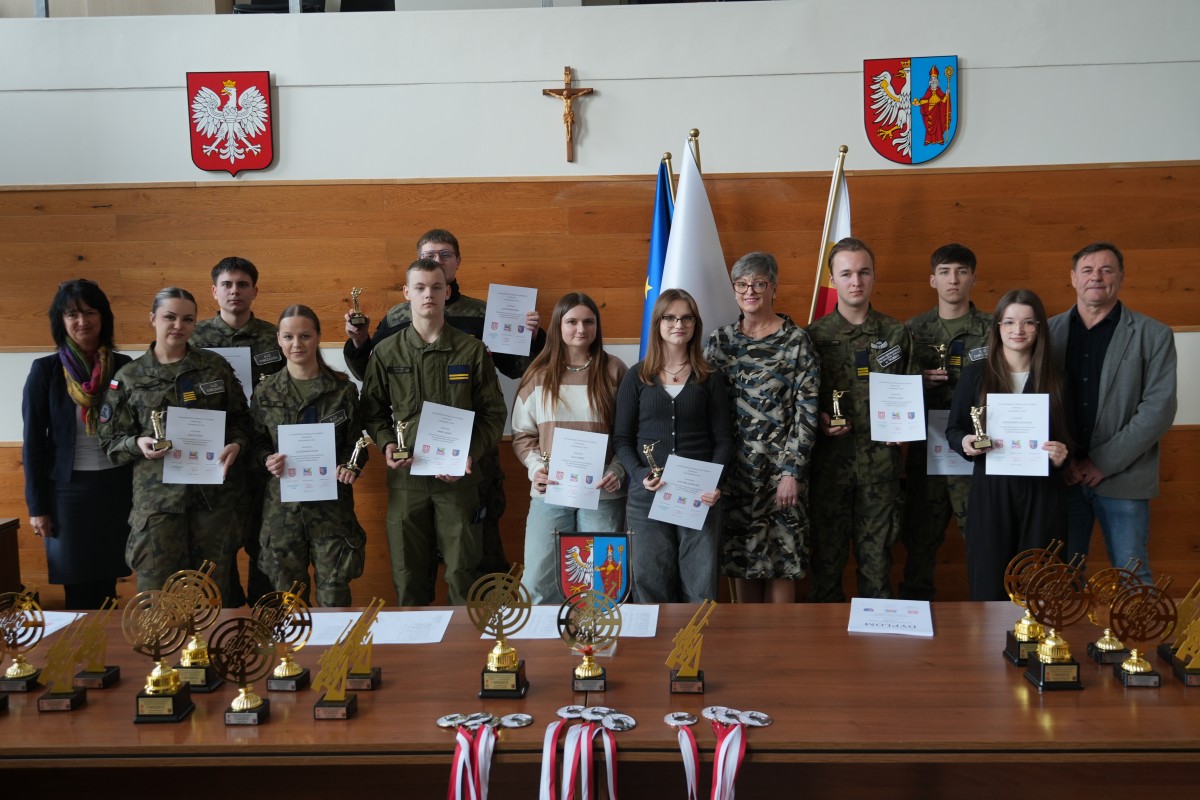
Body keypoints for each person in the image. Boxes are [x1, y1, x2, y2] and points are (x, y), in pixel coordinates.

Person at [344, 229, 545, 576]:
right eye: (429, 255)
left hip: (471, 460)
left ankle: (480, 625)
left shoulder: (486, 314)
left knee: (477, 555)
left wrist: (532, 338)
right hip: (411, 463)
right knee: (414, 563)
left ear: (455, 266)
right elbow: (374, 378)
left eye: (445, 254)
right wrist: (360, 342)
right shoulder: (395, 318)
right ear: (409, 288)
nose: (436, 261)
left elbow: (516, 372)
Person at [359, 258, 507, 606]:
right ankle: (415, 657)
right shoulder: (385, 352)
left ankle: (468, 653)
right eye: (421, 288)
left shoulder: (471, 351)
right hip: (407, 481)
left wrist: (471, 453)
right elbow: (372, 412)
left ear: (448, 292)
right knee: (409, 576)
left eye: (437, 287)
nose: (429, 295)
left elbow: (493, 413)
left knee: (463, 574)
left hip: (458, 482)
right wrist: (385, 445)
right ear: (407, 293)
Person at [98, 288, 251, 601]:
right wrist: (136, 443)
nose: (178, 325)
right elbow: (109, 441)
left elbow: (241, 420)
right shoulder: (129, 377)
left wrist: (236, 443)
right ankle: (160, 652)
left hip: (212, 500)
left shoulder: (214, 367)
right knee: (156, 596)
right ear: (153, 318)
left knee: (212, 593)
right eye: (170, 317)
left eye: (187, 319)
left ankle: (210, 652)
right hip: (158, 505)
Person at [1049, 243, 1177, 585]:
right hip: (1064, 477)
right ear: (1073, 278)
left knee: (1133, 575)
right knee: (1062, 578)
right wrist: (1065, 461)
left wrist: (1103, 462)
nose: (1097, 277)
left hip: (1124, 477)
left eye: (1106, 270)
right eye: (1088, 270)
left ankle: (1140, 642)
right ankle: (1063, 641)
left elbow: (1159, 409)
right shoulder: (1047, 333)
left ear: (1120, 277)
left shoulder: (1154, 335)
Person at [705, 252, 818, 604]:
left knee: (783, 561)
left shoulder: (796, 341)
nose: (749, 290)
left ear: (773, 288)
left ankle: (782, 649)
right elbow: (707, 409)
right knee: (741, 560)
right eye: (741, 284)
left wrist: (791, 471)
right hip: (735, 475)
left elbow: (807, 411)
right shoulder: (720, 342)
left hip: (780, 475)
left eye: (759, 283)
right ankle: (747, 650)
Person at [806, 237, 914, 602]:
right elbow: (801, 400)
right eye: (847, 273)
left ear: (873, 277)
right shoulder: (813, 336)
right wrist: (820, 419)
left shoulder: (897, 333)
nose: (856, 281)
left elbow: (911, 393)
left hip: (880, 471)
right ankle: (825, 653)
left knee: (877, 568)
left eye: (864, 272)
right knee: (824, 568)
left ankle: (878, 655)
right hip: (828, 471)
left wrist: (905, 429)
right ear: (833, 280)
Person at [947, 289, 1071, 600]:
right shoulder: (976, 376)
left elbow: (1073, 439)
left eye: (1029, 322)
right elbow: (954, 429)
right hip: (991, 489)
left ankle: (1038, 647)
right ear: (998, 327)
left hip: (1043, 494)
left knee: (1039, 584)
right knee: (989, 581)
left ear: (1039, 328)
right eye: (1010, 322)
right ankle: (988, 649)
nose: (1018, 331)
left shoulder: (1057, 379)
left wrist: (1062, 454)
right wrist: (966, 442)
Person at [614, 289, 732, 604]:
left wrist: (715, 484)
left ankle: (697, 651)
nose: (678, 324)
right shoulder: (637, 377)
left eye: (686, 317)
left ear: (695, 324)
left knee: (700, 589)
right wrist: (640, 475)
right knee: (650, 585)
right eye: (670, 317)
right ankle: (654, 653)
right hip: (648, 496)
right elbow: (622, 440)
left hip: (699, 497)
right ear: (658, 323)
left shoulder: (709, 378)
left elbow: (723, 440)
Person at [22, 280, 133, 609]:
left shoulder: (124, 366)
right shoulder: (46, 370)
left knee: (108, 581)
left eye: (90, 312)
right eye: (72, 314)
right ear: (61, 321)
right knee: (78, 583)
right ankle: (80, 657)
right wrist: (37, 508)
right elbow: (32, 444)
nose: (82, 321)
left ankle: (105, 658)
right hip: (67, 492)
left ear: (103, 317)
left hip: (116, 485)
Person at [511, 293, 628, 603]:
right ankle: (541, 649)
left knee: (603, 583)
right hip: (551, 490)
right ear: (557, 326)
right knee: (537, 580)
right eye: (572, 321)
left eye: (588, 321)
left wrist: (618, 470)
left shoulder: (615, 371)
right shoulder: (537, 374)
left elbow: (628, 434)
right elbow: (522, 435)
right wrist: (536, 469)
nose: (581, 329)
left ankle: (599, 647)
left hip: (603, 492)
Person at [250, 305, 367, 608]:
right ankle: (292, 657)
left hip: (332, 510)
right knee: (289, 603)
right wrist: (267, 459)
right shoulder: (265, 392)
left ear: (317, 338)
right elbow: (256, 442)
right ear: (278, 339)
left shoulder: (342, 389)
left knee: (335, 598)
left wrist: (350, 466)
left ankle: (336, 657)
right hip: (283, 511)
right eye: (288, 337)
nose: (296, 344)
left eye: (305, 336)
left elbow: (356, 442)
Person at [900, 243, 992, 600]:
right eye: (944, 272)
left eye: (961, 271)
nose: (953, 280)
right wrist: (915, 382)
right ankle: (914, 616)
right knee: (920, 541)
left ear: (973, 277)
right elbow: (893, 390)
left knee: (982, 540)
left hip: (978, 451)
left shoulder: (993, 328)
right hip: (927, 450)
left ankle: (989, 615)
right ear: (932, 280)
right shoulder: (912, 330)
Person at [191, 256, 284, 606]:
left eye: (242, 284)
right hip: (214, 455)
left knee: (265, 540)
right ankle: (227, 619)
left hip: (263, 454)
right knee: (218, 543)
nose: (235, 291)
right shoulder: (195, 337)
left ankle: (266, 617)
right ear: (214, 292)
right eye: (227, 285)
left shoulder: (273, 336)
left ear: (254, 291)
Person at [912, 64, 951, 145]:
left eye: (935, 79)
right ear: (930, 81)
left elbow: (943, 101)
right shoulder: (928, 91)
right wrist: (919, 103)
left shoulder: (939, 91)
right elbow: (924, 100)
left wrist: (947, 95)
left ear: (937, 81)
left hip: (937, 111)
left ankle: (939, 139)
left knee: (938, 126)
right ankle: (928, 140)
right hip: (929, 111)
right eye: (932, 79)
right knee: (929, 127)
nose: (933, 81)